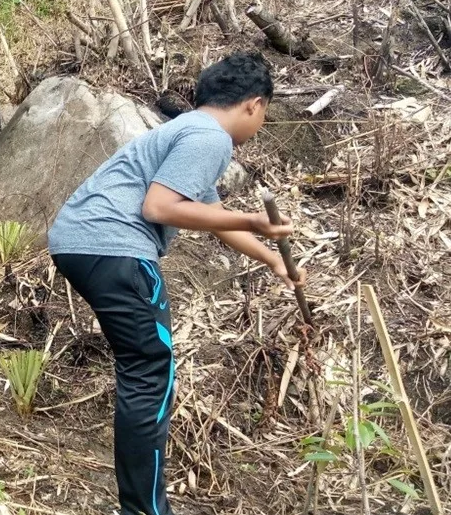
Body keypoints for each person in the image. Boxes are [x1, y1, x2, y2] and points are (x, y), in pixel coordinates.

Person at [47, 51, 306, 515]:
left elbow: (214, 217)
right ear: (253, 104)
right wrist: (255, 218)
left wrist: (273, 260)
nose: (260, 123)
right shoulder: (210, 138)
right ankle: (145, 509)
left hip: (83, 242)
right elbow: (160, 208)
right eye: (264, 113)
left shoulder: (187, 130)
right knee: (151, 374)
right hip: (116, 246)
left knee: (143, 369)